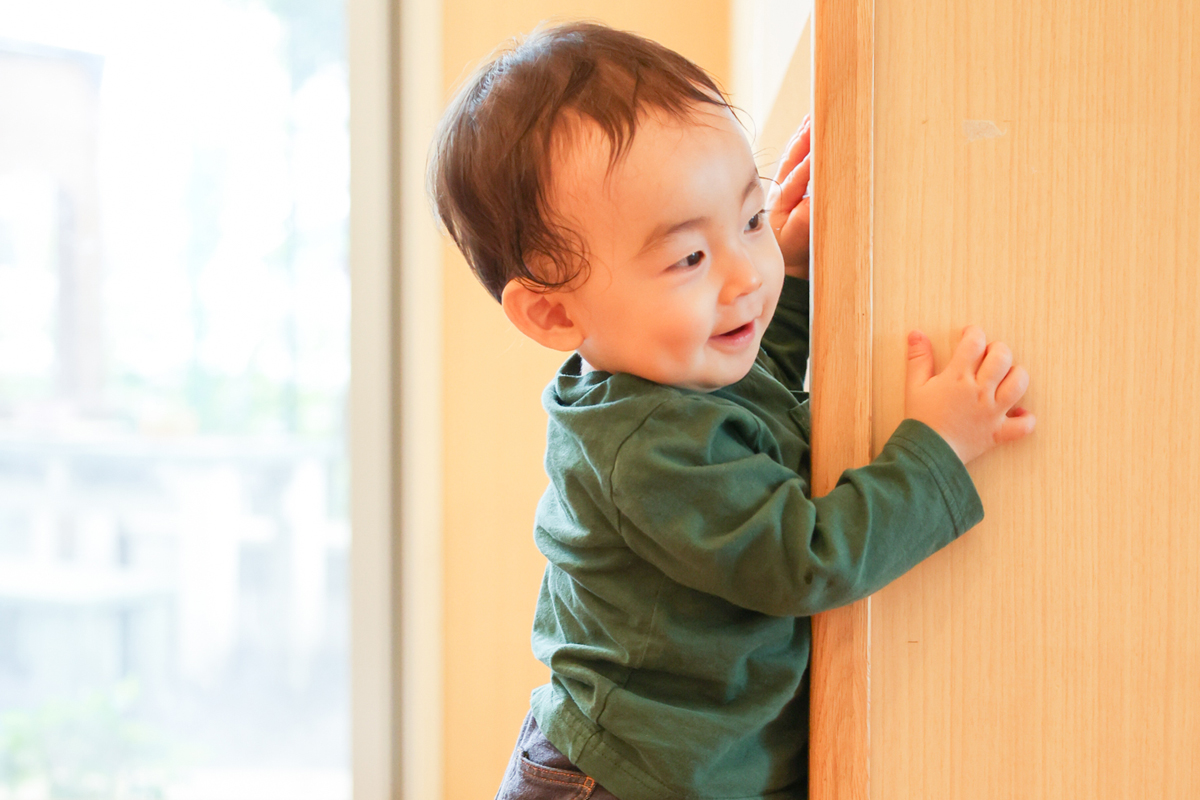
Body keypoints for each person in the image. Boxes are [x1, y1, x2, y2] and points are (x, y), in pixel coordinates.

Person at [428, 20, 1035, 800]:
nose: (747, 275)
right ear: (554, 316)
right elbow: (804, 559)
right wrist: (938, 448)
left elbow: (758, 403)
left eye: (748, 218)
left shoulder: (666, 371)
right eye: (689, 256)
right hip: (622, 780)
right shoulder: (648, 447)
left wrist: (796, 266)